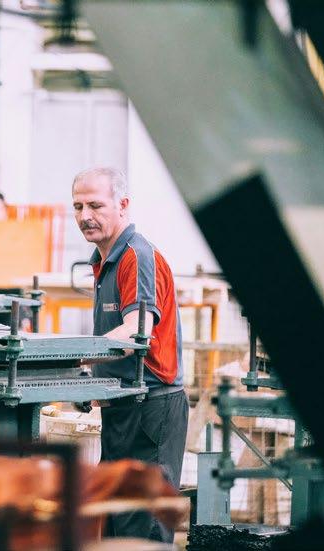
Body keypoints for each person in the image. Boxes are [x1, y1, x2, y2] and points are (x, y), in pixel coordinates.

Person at [72, 167, 187, 542]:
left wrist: (76, 356)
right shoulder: (104, 260)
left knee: (143, 529)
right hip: (123, 407)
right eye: (78, 207)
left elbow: (138, 330)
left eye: (95, 205)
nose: (85, 216)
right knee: (118, 526)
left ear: (122, 205)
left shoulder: (136, 256)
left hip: (151, 409)